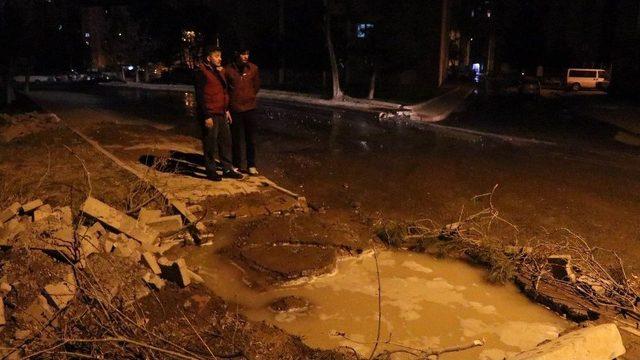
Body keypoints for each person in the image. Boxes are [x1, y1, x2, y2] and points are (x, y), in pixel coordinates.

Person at [194, 46, 243, 181]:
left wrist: (226, 110)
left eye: (220, 56)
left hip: (221, 112)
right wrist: (206, 116)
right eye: (217, 56)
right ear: (209, 58)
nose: (220, 59)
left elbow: (223, 91)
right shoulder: (201, 72)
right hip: (210, 113)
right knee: (210, 143)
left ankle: (227, 168)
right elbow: (199, 96)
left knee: (225, 142)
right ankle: (211, 171)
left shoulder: (217, 71)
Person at [226, 48, 261, 175]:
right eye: (243, 54)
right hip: (235, 109)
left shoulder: (253, 69)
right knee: (236, 139)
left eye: (247, 53)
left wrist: (250, 96)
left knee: (250, 138)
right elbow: (226, 90)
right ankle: (236, 164)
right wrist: (227, 108)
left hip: (250, 108)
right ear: (237, 55)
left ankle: (251, 164)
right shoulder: (228, 70)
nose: (246, 56)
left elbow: (256, 86)